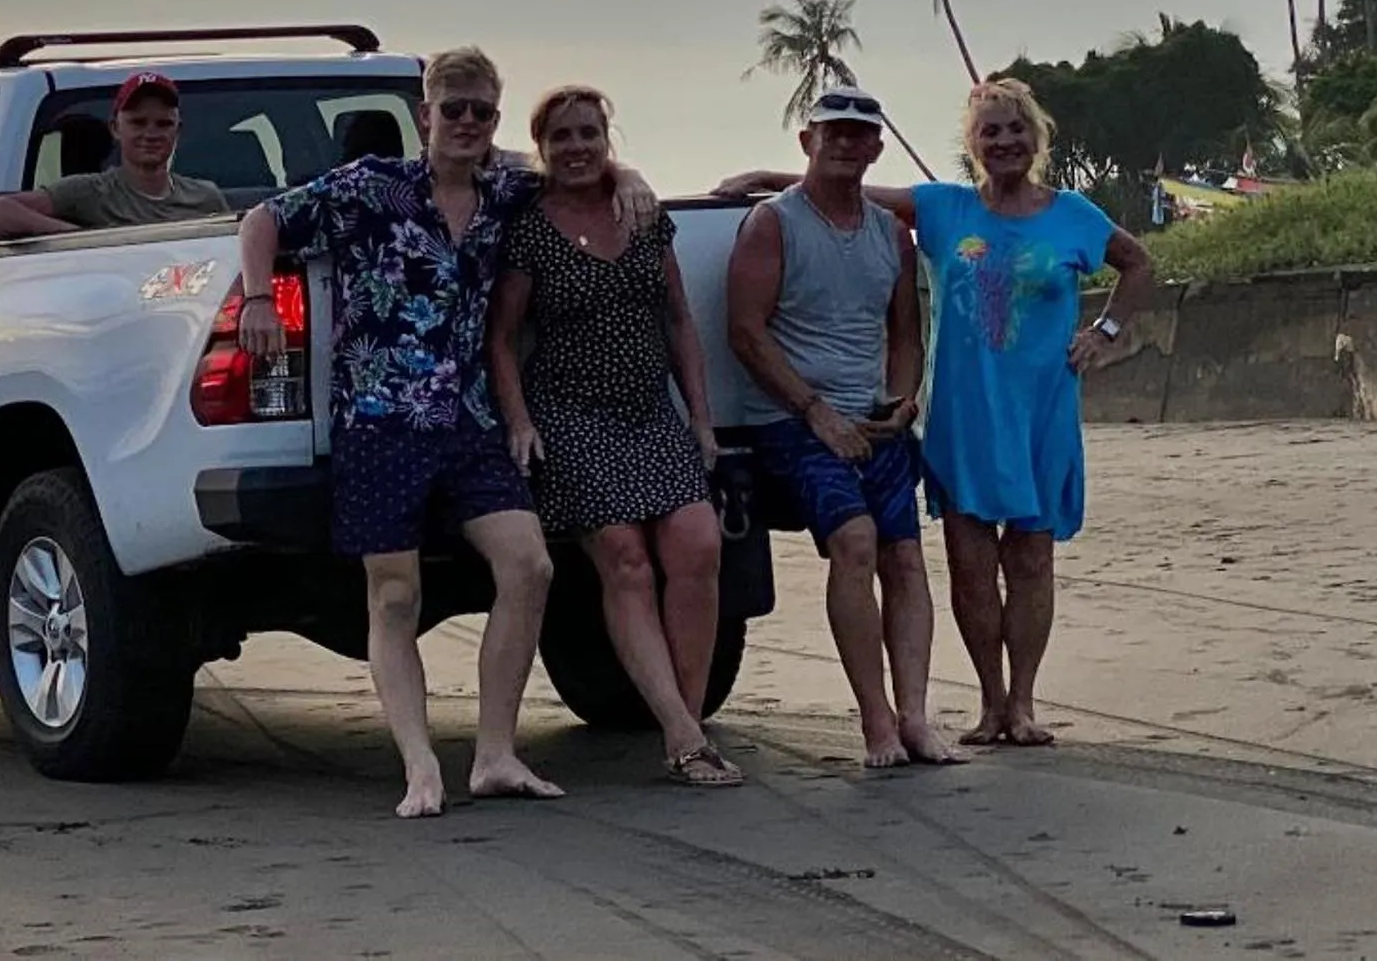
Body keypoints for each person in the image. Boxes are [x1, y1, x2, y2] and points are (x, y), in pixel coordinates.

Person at [235, 46, 657, 818]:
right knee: (395, 596)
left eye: (481, 111)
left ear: (496, 117)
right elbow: (264, 218)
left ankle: (495, 753)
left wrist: (628, 177)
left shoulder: (507, 192)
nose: (466, 122)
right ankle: (420, 765)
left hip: (468, 421)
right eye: (452, 109)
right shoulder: (370, 186)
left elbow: (582, 171)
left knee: (529, 567)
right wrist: (259, 297)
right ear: (424, 114)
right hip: (379, 420)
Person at [727, 79, 1154, 746]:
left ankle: (1023, 701)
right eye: (991, 131)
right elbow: (844, 187)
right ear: (972, 144)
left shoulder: (1073, 213)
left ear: (1036, 138)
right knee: (971, 564)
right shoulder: (943, 208)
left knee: (1033, 559)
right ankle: (989, 703)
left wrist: (1104, 332)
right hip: (965, 411)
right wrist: (761, 177)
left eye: (1016, 129)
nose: (1005, 141)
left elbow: (1137, 263)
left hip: (1042, 409)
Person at [487, 86, 740, 787]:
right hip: (569, 413)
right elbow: (502, 338)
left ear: (608, 137)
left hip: (647, 411)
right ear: (541, 146)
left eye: (588, 133)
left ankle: (684, 726)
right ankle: (686, 738)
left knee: (697, 545)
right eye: (561, 135)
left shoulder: (641, 210)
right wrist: (519, 420)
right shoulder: (529, 224)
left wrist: (698, 415)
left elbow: (680, 320)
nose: (576, 147)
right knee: (626, 559)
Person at [719, 86, 959, 770]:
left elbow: (907, 332)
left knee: (906, 557)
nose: (847, 144)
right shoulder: (774, 223)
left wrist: (904, 398)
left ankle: (915, 713)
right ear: (807, 141)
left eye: (860, 134)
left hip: (873, 414)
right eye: (834, 132)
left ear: (876, 146)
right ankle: (874, 717)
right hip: (792, 417)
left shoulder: (891, 234)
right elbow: (746, 330)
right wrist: (814, 410)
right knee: (854, 541)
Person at [0, 71, 231, 238]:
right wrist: (78, 237)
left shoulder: (206, 197)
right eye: (138, 123)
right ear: (115, 128)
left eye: (163, 124)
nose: (151, 134)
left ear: (178, 132)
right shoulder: (89, 192)